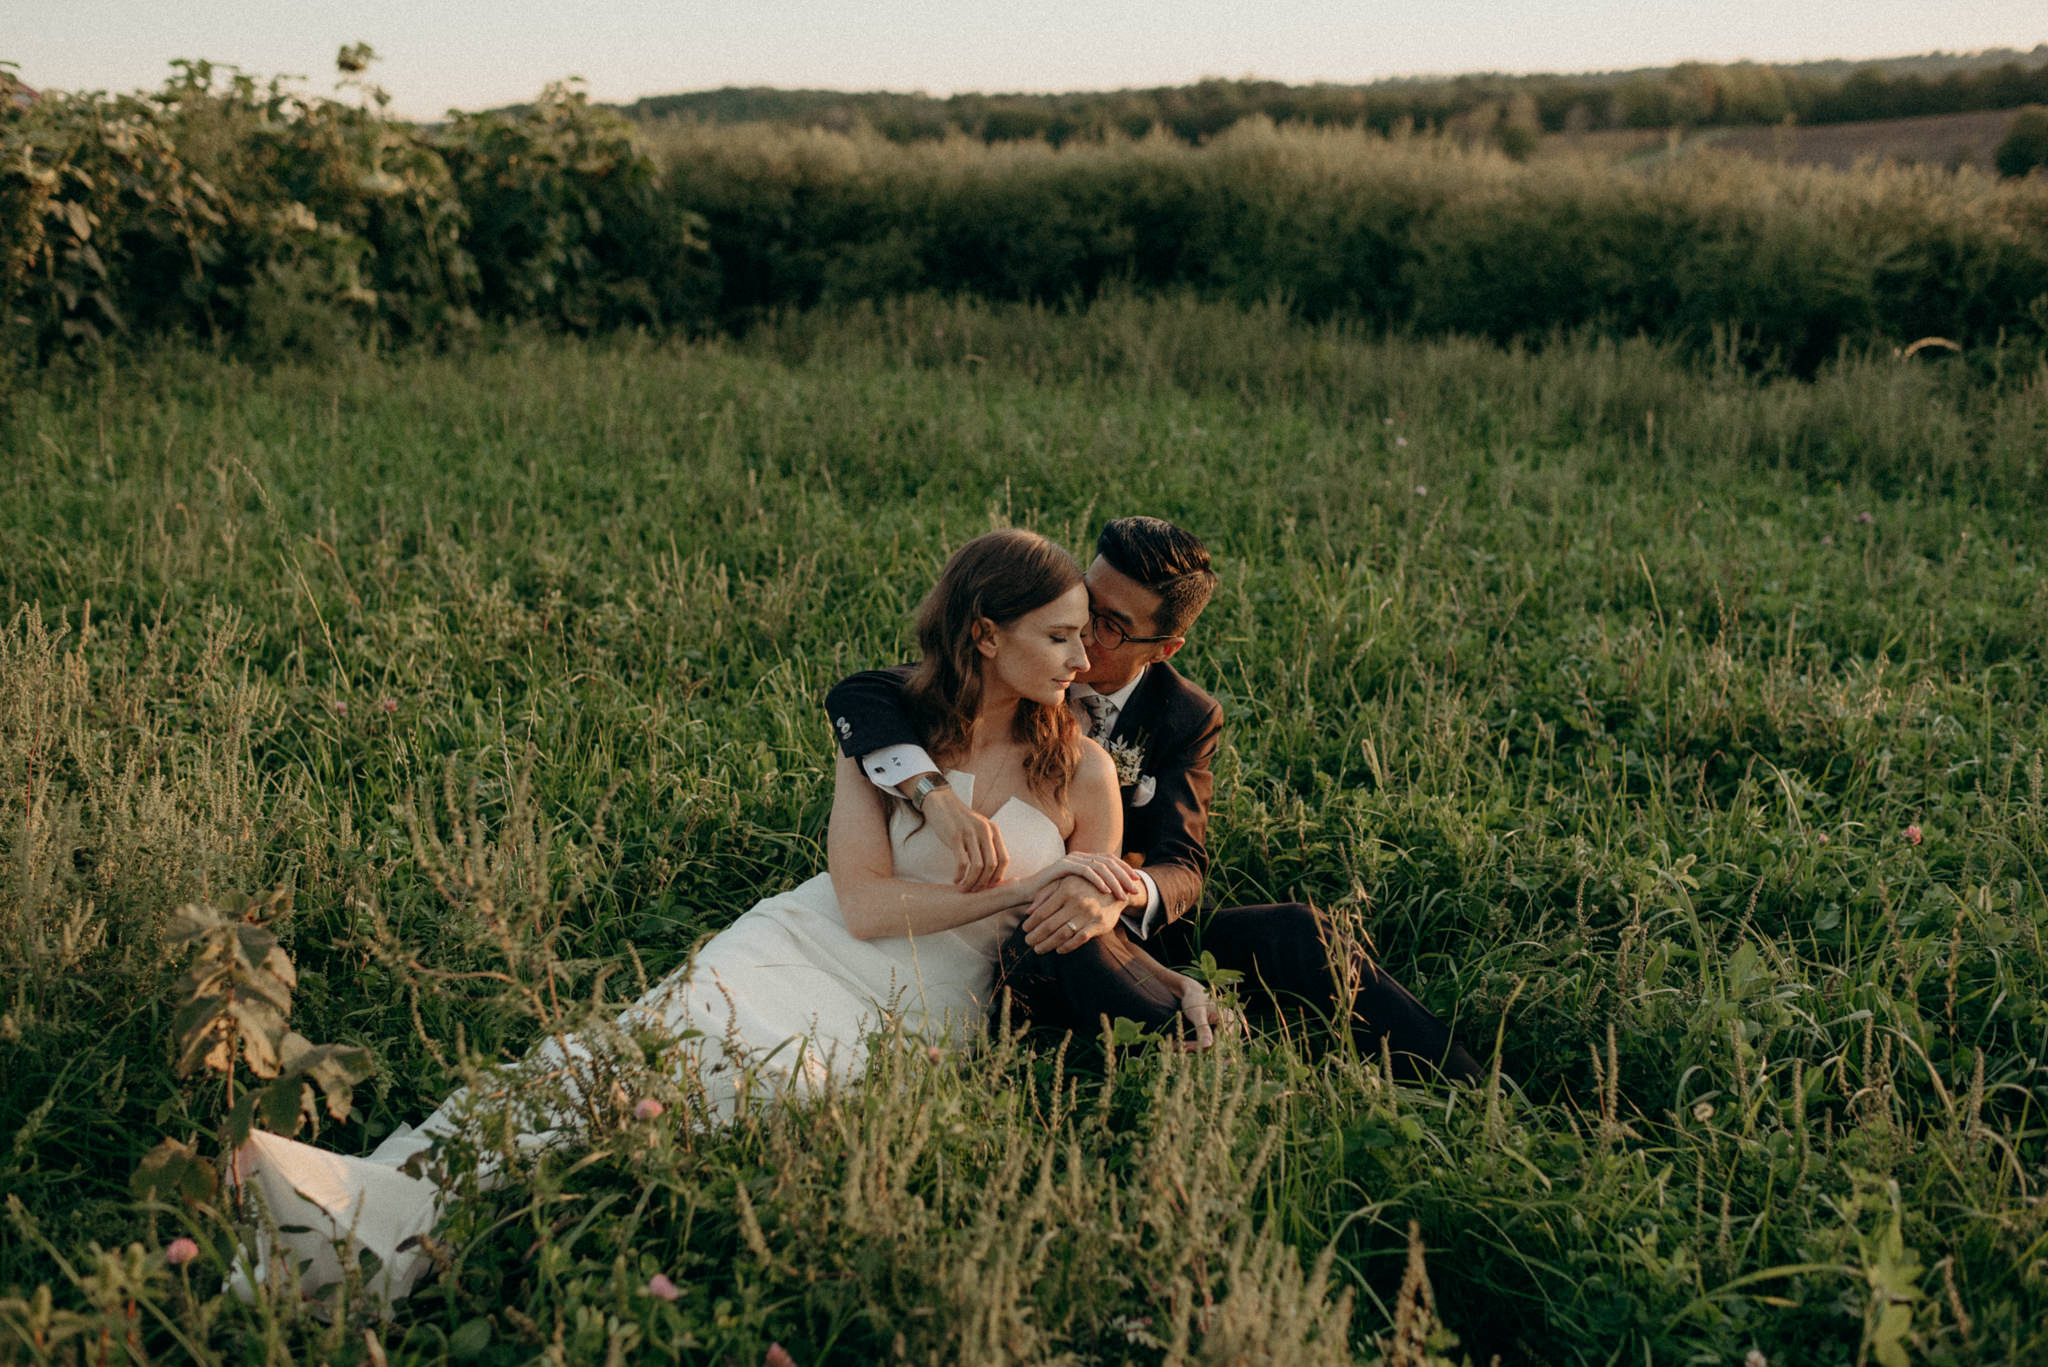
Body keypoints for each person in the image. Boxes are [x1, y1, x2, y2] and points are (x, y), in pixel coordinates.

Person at [228, 529, 1220, 1304]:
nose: (1082, 655)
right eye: (1058, 633)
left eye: (1086, 631)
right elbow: (866, 903)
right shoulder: (892, 733)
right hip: (809, 940)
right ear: (984, 634)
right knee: (618, 1052)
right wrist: (1011, 888)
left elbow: (1093, 921)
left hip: (926, 1000)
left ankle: (402, 1227)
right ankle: (363, 1209)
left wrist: (1145, 953)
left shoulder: (1084, 769)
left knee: (735, 1090)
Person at [827, 516, 1485, 1083]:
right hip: (1038, 935)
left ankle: (1468, 1086)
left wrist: (1116, 887)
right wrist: (935, 796)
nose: (1081, 643)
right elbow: (859, 697)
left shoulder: (1183, 715)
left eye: (1109, 628)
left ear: (1164, 647)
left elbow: (1182, 861)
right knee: (1067, 932)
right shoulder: (1005, 666)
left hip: (1130, 926)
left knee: (1296, 931)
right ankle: (1224, 1062)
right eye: (1081, 608)